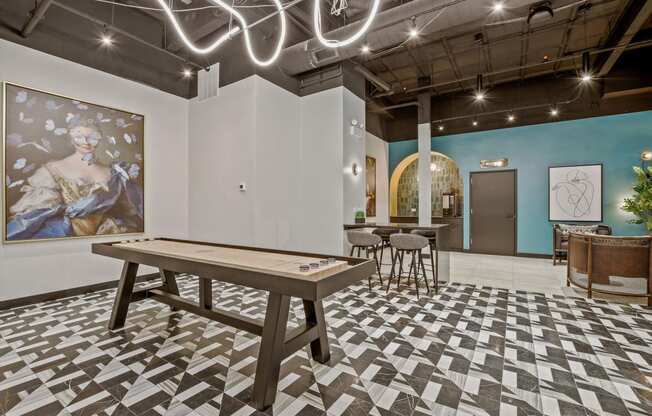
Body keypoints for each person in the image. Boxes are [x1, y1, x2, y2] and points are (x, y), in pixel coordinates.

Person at [7, 118, 143, 240]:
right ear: (71, 138)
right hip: (64, 231)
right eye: (79, 137)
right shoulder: (53, 168)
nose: (86, 142)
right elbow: (42, 209)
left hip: (105, 232)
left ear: (100, 138)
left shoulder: (114, 172)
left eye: (93, 137)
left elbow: (127, 208)